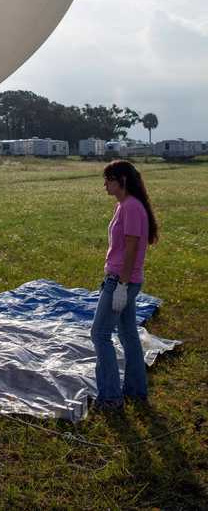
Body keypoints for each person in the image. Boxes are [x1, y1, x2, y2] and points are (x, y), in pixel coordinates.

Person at [91, 159, 159, 409]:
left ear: (122, 180)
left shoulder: (131, 207)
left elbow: (131, 249)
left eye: (108, 180)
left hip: (121, 280)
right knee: (129, 335)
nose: (105, 185)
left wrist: (121, 285)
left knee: (99, 334)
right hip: (125, 280)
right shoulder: (126, 206)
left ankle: (110, 398)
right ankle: (135, 390)